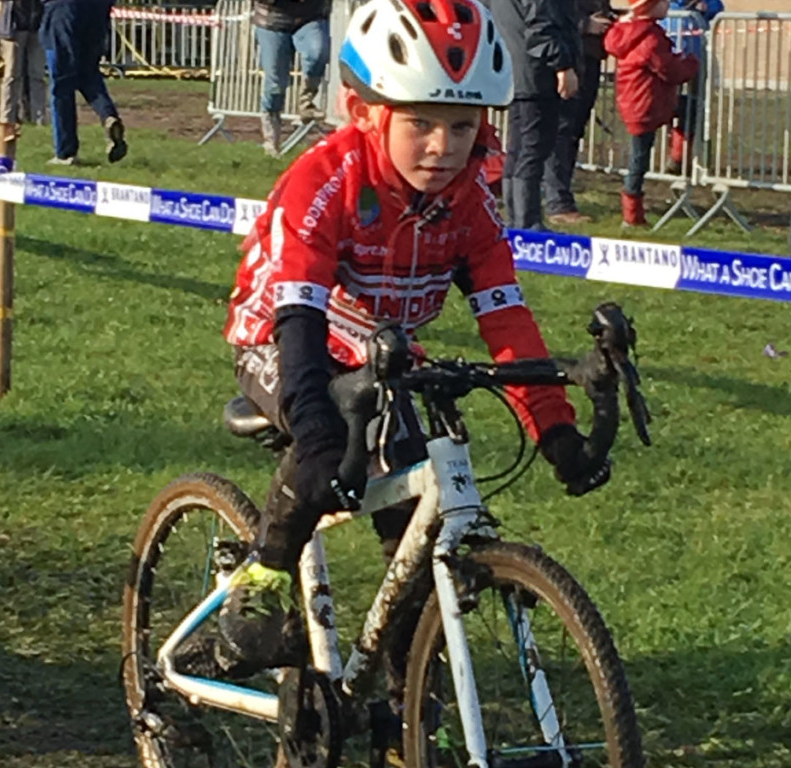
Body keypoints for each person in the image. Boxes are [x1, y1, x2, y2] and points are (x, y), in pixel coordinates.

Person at [220, 0, 610, 668]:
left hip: (380, 351)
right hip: (282, 335)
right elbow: (298, 315)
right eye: (420, 124)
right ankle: (261, 576)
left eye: (462, 126)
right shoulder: (324, 182)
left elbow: (506, 320)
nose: (442, 146)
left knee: (411, 532)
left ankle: (401, 713)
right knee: (325, 447)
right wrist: (313, 419)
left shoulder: (468, 203)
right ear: (365, 110)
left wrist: (553, 429)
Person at [604, 0, 698, 226]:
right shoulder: (651, 38)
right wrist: (691, 64)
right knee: (639, 159)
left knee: (686, 109)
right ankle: (632, 214)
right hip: (646, 104)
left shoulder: (627, 32)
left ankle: (677, 155)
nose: (667, 5)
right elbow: (669, 70)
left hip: (638, 101)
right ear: (651, 7)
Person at [489, 0, 581, 230]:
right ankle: (527, 222)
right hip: (536, 73)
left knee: (518, 149)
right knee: (533, 148)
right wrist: (562, 65)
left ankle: (515, 220)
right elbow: (540, 27)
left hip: (515, 70)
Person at [542, 0, 615, 224]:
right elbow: (546, 12)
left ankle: (558, 193)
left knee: (573, 131)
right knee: (560, 131)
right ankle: (558, 202)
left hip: (588, 56)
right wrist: (584, 25)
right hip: (567, 56)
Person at [38, 0, 126, 166]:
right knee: (89, 74)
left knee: (61, 84)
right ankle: (108, 115)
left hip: (62, 11)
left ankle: (65, 152)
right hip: (96, 11)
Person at [252, 0, 331, 157]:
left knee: (318, 52)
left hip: (311, 16)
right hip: (272, 20)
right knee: (275, 83)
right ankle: (271, 140)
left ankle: (306, 102)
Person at [661, 0, 722, 173]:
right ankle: (670, 151)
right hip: (667, 55)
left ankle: (680, 155)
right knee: (667, 106)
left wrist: (707, 7)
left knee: (692, 106)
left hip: (694, 55)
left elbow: (717, 7)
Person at [0, 0, 46, 127]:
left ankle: (39, 118)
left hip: (36, 27)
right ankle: (7, 118)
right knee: (12, 75)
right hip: (13, 28)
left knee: (37, 76)